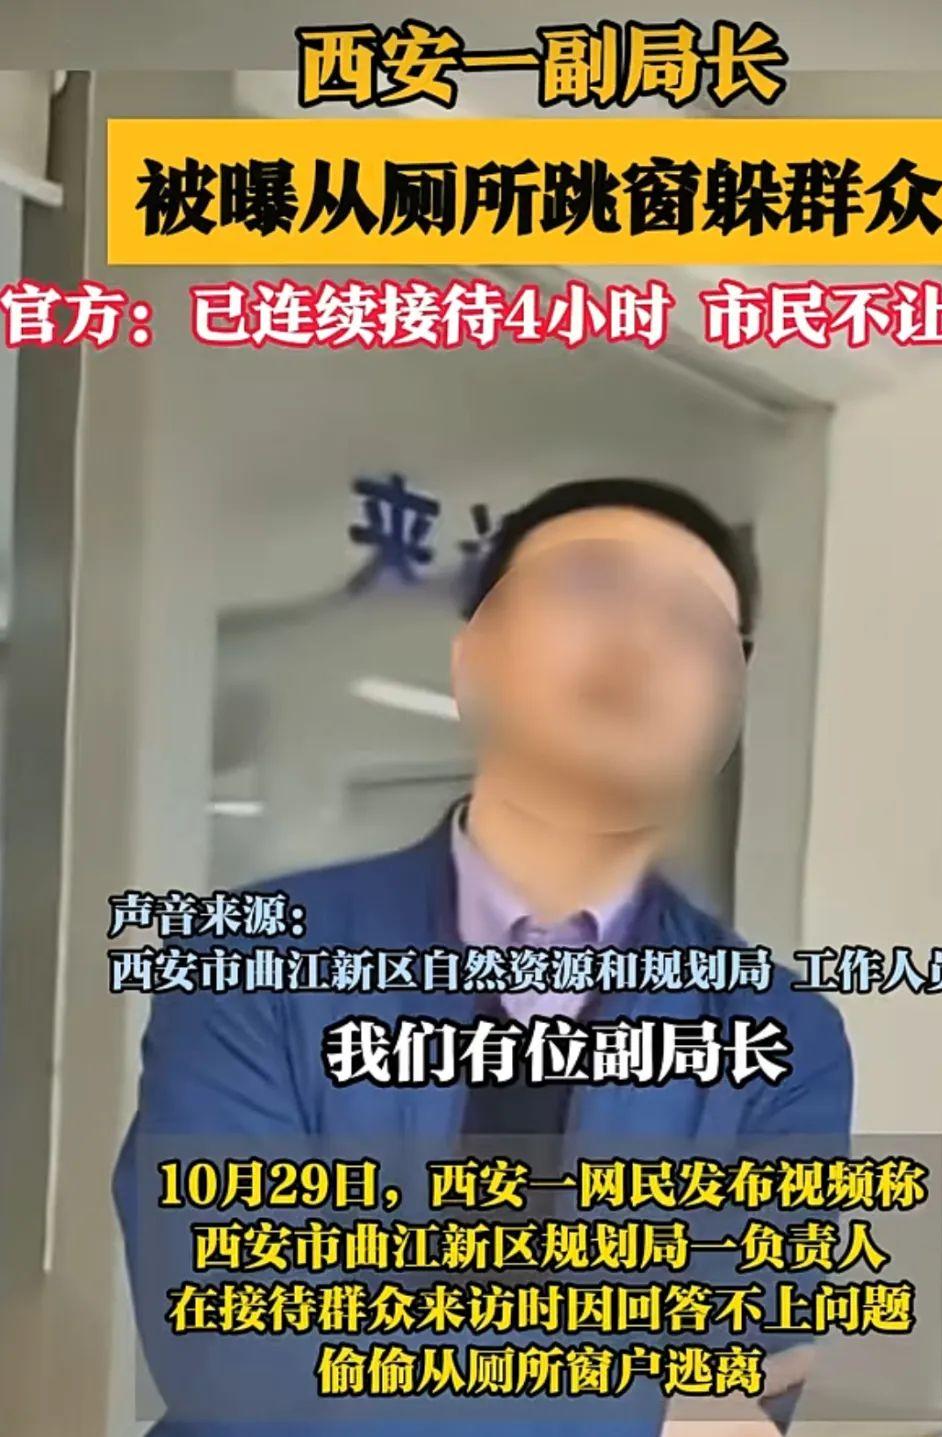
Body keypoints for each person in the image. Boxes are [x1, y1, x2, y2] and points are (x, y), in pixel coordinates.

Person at [115, 477, 852, 1437]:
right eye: (587, 591)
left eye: (692, 624)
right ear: (475, 661)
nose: (636, 643)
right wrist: (638, 1404)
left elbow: (755, 1364)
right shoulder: (254, 960)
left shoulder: (784, 1033)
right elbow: (229, 1347)